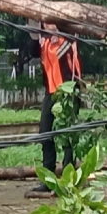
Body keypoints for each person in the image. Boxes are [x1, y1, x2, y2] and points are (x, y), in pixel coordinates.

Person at [32, 23, 82, 192]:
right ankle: (48, 179)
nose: (49, 25)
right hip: (51, 92)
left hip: (68, 91)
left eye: (53, 21)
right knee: (45, 134)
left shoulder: (68, 40)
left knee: (68, 136)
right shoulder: (43, 42)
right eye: (46, 22)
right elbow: (31, 50)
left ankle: (69, 178)